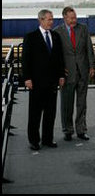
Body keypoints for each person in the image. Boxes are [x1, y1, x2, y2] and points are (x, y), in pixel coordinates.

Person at [22, 9, 65, 150]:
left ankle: (47, 139)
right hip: (36, 82)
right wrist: (27, 78)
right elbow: (26, 60)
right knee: (35, 113)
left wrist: (61, 75)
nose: (51, 22)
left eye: (52, 19)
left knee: (50, 113)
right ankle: (34, 141)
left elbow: (59, 58)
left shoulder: (55, 36)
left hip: (52, 82)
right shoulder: (31, 37)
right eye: (49, 19)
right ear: (41, 20)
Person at [54, 7, 95, 141]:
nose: (74, 20)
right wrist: (60, 70)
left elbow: (89, 48)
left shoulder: (83, 28)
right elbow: (56, 55)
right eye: (71, 18)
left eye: (75, 17)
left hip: (83, 71)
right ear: (64, 18)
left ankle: (81, 130)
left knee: (82, 103)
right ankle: (67, 130)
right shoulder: (57, 32)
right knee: (67, 104)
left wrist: (92, 66)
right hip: (67, 74)